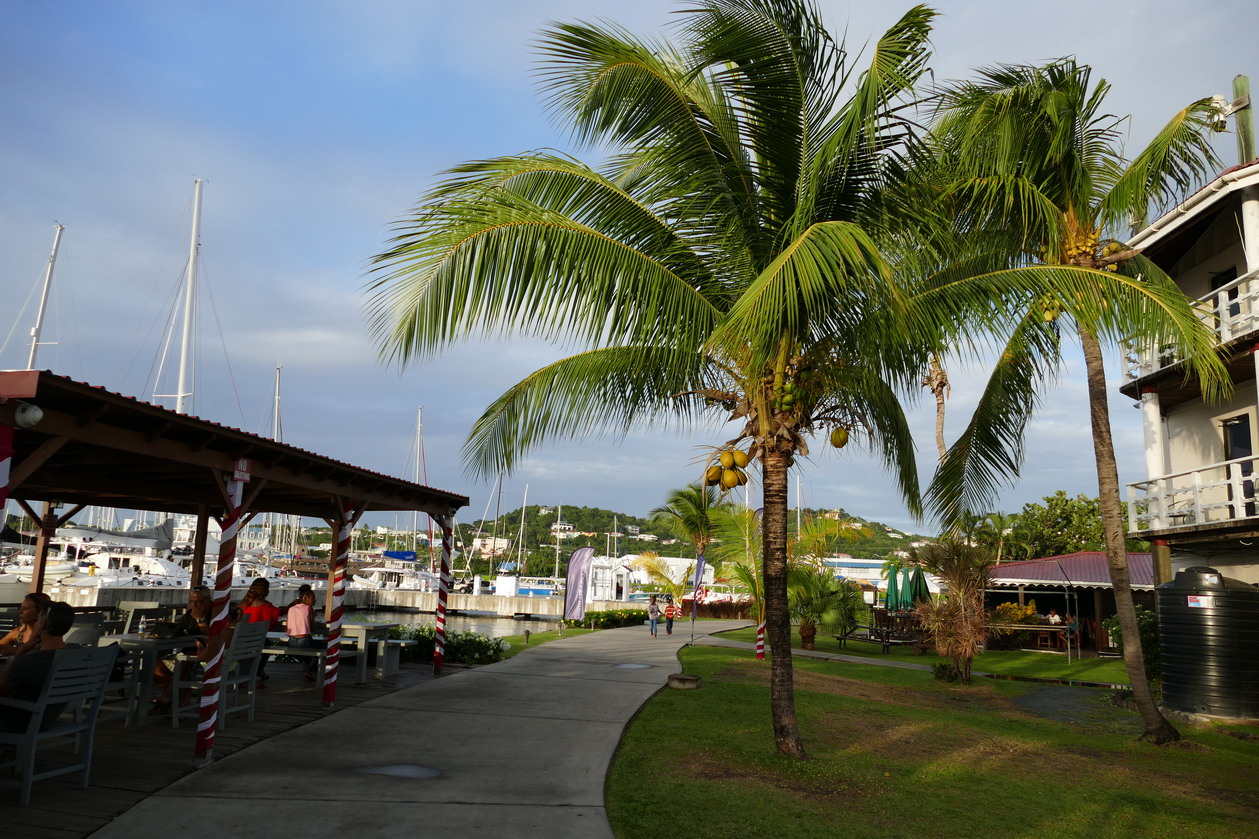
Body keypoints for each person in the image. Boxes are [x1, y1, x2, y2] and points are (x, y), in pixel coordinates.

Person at [0, 600, 74, 732]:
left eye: (38, 620)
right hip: (48, 718)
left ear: (42, 624)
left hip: (19, 721)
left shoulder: (31, 662)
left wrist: (19, 654)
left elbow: (1, 691)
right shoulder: (74, 656)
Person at [240, 579, 281, 682]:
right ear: (263, 590)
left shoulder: (244, 604)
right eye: (267, 589)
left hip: (241, 639)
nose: (268, 592)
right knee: (267, 645)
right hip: (256, 640)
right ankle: (259, 669)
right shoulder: (265, 605)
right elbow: (276, 614)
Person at [0, 592, 52, 656]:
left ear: (39, 613)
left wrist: (15, 651)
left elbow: (44, 659)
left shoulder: (47, 635)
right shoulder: (19, 632)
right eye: (20, 608)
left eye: (25, 609)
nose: (20, 612)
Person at [286, 589, 319, 682]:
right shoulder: (309, 608)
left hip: (291, 640)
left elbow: (288, 626)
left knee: (303, 656)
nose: (315, 600)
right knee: (323, 649)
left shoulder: (291, 609)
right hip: (304, 639)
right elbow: (312, 628)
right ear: (305, 598)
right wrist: (314, 616)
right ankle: (308, 669)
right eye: (313, 598)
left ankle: (307, 669)